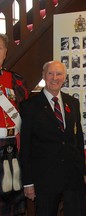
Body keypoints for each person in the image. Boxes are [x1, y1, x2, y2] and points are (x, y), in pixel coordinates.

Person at [19, 60, 86, 215]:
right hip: (45, 179)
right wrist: (28, 182)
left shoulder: (73, 103)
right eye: (50, 73)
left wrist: (81, 171)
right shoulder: (30, 106)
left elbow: (78, 141)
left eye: (59, 74)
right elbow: (26, 146)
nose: (54, 77)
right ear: (44, 76)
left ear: (65, 78)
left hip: (72, 176)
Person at [0, 33, 28, 216]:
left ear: (5, 52)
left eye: (0, 48)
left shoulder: (15, 79)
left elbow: (25, 110)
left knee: (13, 196)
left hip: (11, 147)